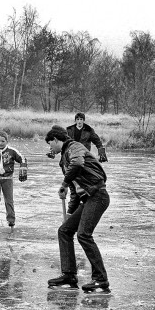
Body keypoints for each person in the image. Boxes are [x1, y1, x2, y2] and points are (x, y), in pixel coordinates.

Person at [45, 125, 110, 294]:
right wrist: (69, 212)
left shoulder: (75, 147)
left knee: (83, 235)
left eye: (50, 143)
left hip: (98, 195)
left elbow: (79, 163)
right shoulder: (64, 161)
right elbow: (75, 191)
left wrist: (64, 184)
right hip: (87, 200)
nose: (50, 147)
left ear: (57, 140)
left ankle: (101, 280)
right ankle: (69, 276)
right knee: (65, 231)